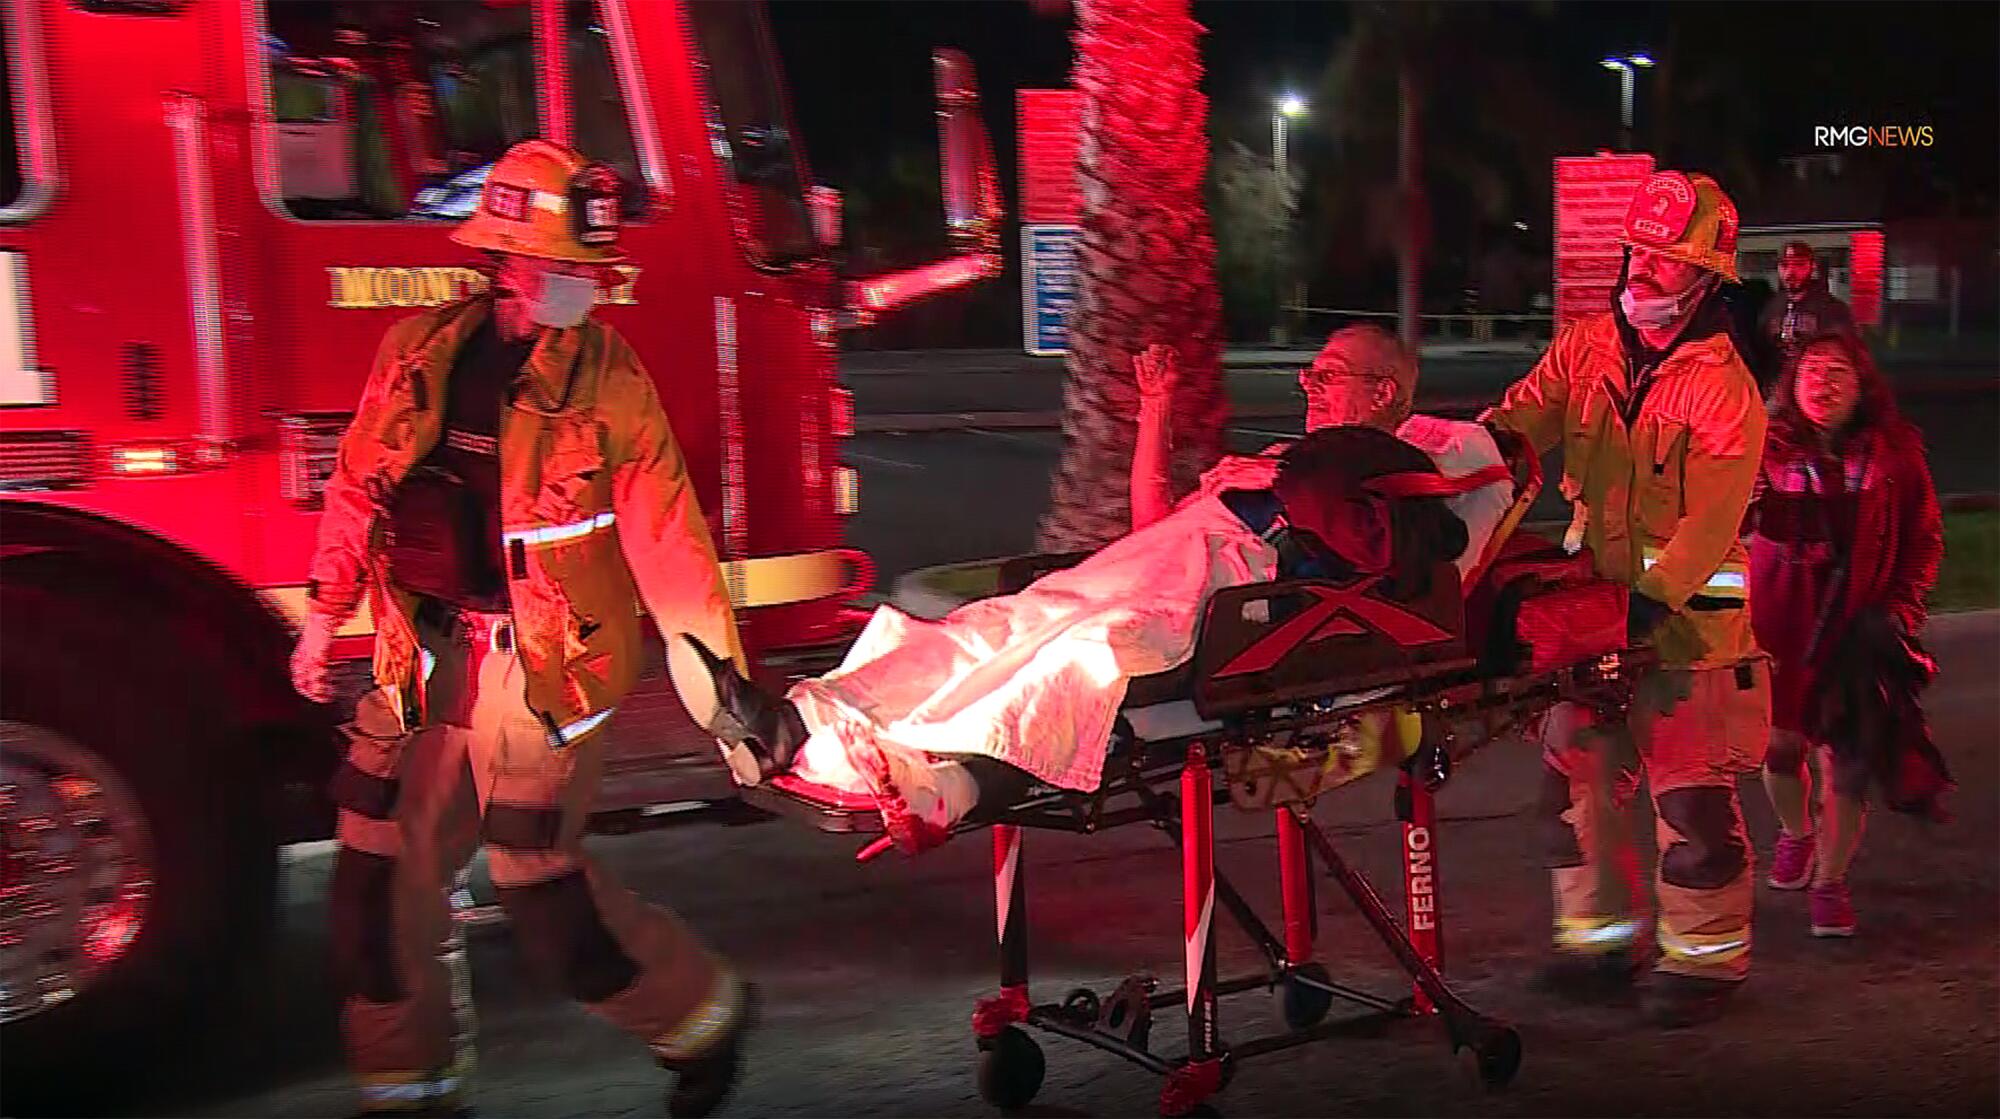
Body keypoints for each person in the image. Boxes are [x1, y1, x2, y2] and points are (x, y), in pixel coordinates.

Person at [288, 140, 753, 1118]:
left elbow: (669, 536)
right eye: (563, 266)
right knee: (372, 892)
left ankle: (700, 1015)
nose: (583, 284)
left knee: (539, 895)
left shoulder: (609, 381)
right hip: (419, 656)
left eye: (588, 268)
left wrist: (721, 687)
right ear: (506, 259)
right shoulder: (420, 352)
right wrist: (322, 614)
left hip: (543, 669)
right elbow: (359, 488)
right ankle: (410, 1093)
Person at [678, 404, 1481, 854]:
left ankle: (946, 784)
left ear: (1386, 385)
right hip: (1150, 559)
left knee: (1081, 657)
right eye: (1317, 369)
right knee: (991, 623)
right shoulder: (1282, 459)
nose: (1316, 379)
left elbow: (1388, 569)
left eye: (1334, 370)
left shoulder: (1390, 485)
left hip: (1218, 591)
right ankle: (797, 722)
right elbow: (1153, 520)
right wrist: (1158, 413)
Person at [1483, 170, 1772, 1028]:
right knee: (1572, 790)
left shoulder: (1724, 387)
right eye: (1637, 251)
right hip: (1594, 619)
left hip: (1687, 636)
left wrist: (1644, 606)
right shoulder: (1586, 346)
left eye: (1666, 259)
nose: (1642, 269)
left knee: (1691, 806)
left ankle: (1706, 965)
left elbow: (1709, 521)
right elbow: (1528, 414)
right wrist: (1480, 450)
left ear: (1707, 277)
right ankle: (1599, 941)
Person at [1749, 327, 1947, 937]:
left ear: (1863, 386)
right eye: (1811, 372)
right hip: (1778, 628)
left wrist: (1901, 613)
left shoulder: (1896, 455)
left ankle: (1830, 881)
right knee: (1779, 752)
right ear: (1792, 384)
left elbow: (1924, 540)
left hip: (1854, 630)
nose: (1822, 383)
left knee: (1849, 763)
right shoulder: (1764, 447)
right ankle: (1796, 833)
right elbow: (1726, 525)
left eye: (1838, 372)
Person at [1130, 324, 1518, 582]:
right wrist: (1156, 405)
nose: (1310, 388)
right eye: (1309, 376)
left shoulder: (1423, 465)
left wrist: (1281, 477)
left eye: (1328, 376)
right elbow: (1151, 533)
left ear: (1382, 393)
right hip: (1152, 582)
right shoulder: (1281, 459)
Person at [1757, 241, 1856, 390]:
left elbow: (1846, 356)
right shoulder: (1772, 307)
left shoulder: (1832, 309)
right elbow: (1762, 348)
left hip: (1815, 387)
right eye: (1785, 266)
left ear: (1812, 266)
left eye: (1799, 265)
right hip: (1776, 388)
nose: (1790, 272)